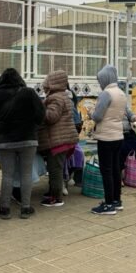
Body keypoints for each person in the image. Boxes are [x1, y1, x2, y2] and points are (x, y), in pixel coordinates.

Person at [0, 68, 44, 220]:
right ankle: (25, 208)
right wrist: (33, 127)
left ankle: (4, 209)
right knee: (26, 173)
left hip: (6, 141)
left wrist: (0, 129)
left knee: (7, 174)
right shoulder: (29, 92)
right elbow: (41, 114)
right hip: (28, 139)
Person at [89, 64, 127, 215]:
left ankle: (108, 204)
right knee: (116, 169)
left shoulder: (106, 94)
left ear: (105, 79)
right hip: (118, 136)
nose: (100, 83)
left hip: (106, 137)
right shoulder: (121, 93)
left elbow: (98, 116)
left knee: (107, 171)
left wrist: (92, 112)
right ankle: (117, 201)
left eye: (100, 80)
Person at [38, 70, 79, 208]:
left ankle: (56, 198)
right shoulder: (64, 96)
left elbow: (51, 117)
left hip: (57, 140)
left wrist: (40, 108)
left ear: (53, 84)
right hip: (64, 139)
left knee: (55, 170)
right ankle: (53, 192)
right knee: (57, 168)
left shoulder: (56, 98)